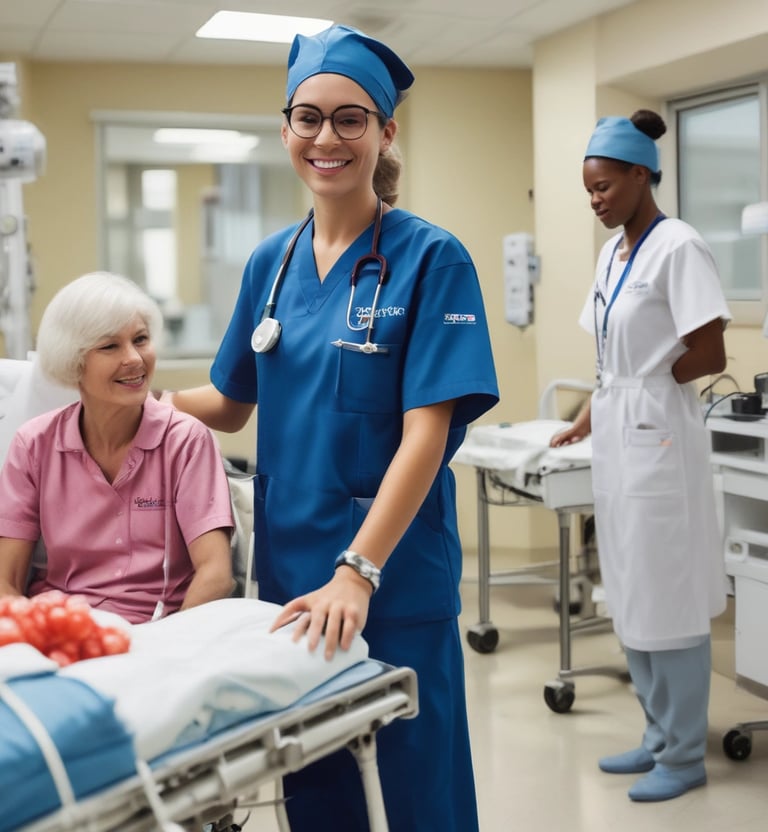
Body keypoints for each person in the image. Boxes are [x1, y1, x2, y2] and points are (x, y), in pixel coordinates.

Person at [165, 23, 499, 832]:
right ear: (286, 130)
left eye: (351, 118)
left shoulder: (432, 259)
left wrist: (359, 569)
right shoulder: (267, 265)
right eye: (307, 117)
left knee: (421, 793)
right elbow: (230, 401)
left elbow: (428, 432)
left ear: (386, 132)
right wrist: (120, 398)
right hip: (289, 582)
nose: (326, 137)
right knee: (316, 792)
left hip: (390, 581)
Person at [551, 110, 730, 802]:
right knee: (628, 585)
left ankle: (686, 754)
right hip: (621, 430)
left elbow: (708, 353)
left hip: (658, 433)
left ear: (639, 174)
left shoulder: (677, 247)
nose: (596, 199)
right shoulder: (615, 254)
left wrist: (647, 393)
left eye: (604, 187)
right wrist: (588, 416)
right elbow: (610, 360)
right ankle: (657, 735)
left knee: (671, 594)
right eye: (587, 190)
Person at [0, 272, 235, 624]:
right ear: (73, 361)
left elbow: (216, 576)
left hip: (159, 630)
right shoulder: (33, 445)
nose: (135, 359)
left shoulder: (186, 441)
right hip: (60, 627)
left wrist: (166, 647)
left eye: (140, 340)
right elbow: (7, 582)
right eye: (110, 346)